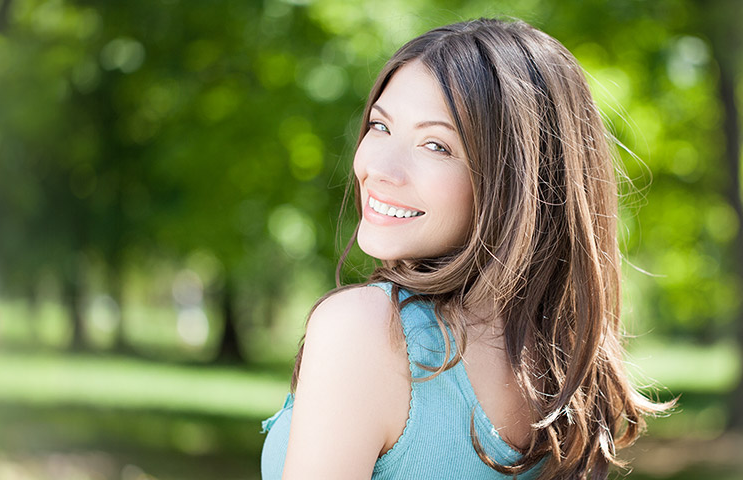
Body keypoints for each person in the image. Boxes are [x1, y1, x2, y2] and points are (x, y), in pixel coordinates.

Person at [258, 18, 671, 479]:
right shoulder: (562, 368)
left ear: (516, 183)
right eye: (380, 125)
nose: (380, 168)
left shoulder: (367, 330)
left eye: (436, 145)